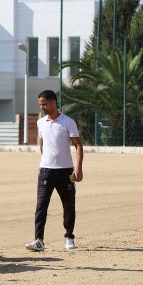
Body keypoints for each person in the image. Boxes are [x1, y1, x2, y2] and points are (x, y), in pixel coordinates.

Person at [25, 89, 83, 252]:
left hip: (66, 172)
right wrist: (47, 159)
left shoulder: (68, 122)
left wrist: (78, 168)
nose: (42, 107)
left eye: (44, 104)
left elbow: (78, 145)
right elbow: (43, 144)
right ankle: (39, 240)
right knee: (41, 206)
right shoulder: (41, 122)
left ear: (53, 103)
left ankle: (69, 237)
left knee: (69, 204)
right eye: (40, 104)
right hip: (45, 171)